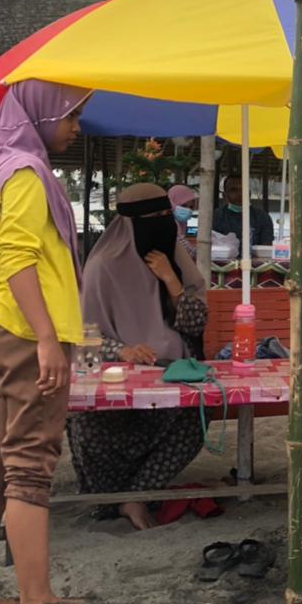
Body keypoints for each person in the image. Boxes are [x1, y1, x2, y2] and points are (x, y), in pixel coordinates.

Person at [0, 79, 95, 604]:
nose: (76, 127)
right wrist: (46, 338)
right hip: (26, 329)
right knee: (31, 463)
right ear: (41, 112)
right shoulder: (28, 173)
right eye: (71, 115)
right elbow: (14, 256)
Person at [68, 183, 209, 531]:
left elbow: (196, 324)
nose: (162, 223)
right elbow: (84, 339)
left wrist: (171, 280)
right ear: (130, 223)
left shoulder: (174, 257)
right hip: (117, 375)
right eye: (153, 217)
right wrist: (124, 350)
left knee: (195, 421)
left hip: (171, 370)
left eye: (166, 215)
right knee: (88, 425)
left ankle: (137, 496)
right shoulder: (102, 267)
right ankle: (111, 501)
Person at [211, 175, 272, 248]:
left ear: (249, 194)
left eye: (243, 189)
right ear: (224, 195)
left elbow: (266, 248)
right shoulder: (215, 216)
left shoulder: (262, 217)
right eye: (233, 190)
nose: (240, 194)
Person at [168, 183, 199, 259]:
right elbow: (189, 252)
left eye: (191, 207)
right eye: (183, 206)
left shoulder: (181, 223)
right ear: (172, 203)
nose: (188, 210)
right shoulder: (170, 223)